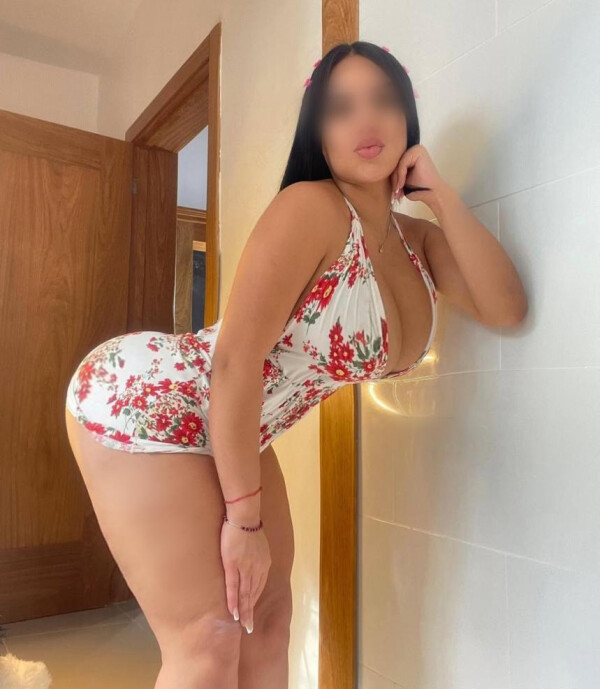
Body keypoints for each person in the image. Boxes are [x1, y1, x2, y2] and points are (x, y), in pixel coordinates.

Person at [64, 40, 527, 689]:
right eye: (341, 108)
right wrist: (243, 521)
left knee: (269, 620)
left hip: (242, 421)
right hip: (154, 393)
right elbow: (234, 362)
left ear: (407, 118)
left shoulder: (418, 242)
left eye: (383, 100)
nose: (366, 119)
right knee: (210, 634)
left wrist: (443, 198)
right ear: (319, 133)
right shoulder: (311, 207)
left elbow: (506, 308)